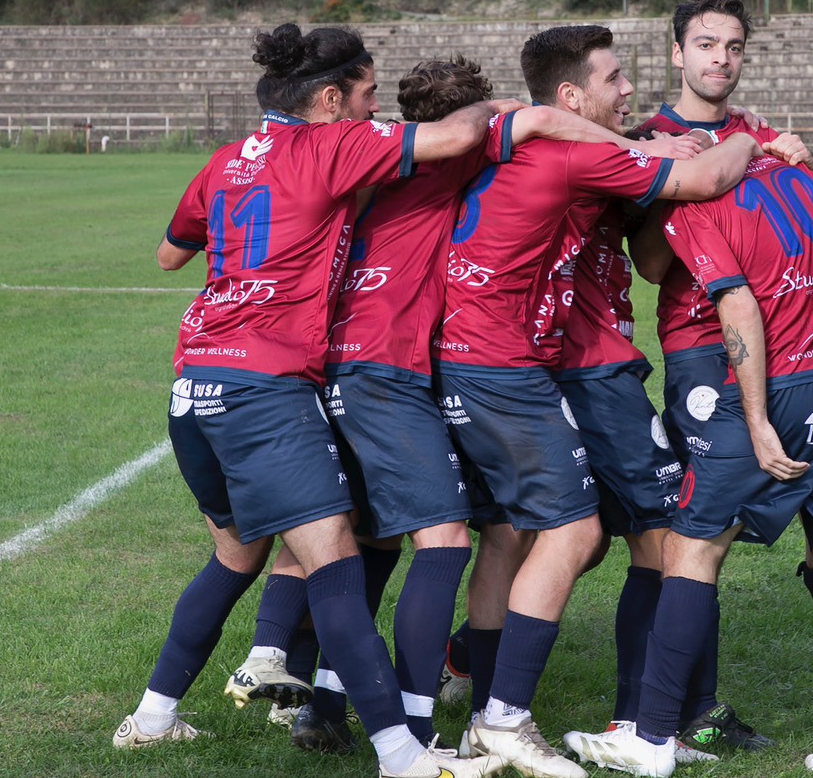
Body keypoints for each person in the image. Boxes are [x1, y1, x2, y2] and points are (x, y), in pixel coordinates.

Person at [228, 54, 704, 753]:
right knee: (468, 538)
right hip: (420, 368)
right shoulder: (475, 153)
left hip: (358, 363)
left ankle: (321, 692)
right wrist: (659, 146)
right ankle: (434, 724)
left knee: (377, 533)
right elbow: (537, 123)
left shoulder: (378, 159)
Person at [113, 22, 512, 778]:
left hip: (194, 381)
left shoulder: (226, 159)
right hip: (264, 389)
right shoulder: (331, 146)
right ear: (329, 99)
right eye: (365, 95)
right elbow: (460, 134)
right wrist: (505, 106)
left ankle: (154, 716)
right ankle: (400, 753)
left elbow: (169, 255)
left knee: (237, 554)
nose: (372, 110)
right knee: (334, 564)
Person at [437, 23, 766, 778]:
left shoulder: (545, 141)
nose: (628, 90)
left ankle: (475, 681)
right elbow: (697, 184)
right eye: (614, 78)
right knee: (654, 536)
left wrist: (635, 140)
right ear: (570, 94)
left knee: (525, 536)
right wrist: (749, 141)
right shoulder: (576, 153)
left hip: (524, 359)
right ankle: (634, 719)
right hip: (586, 364)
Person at [564, 139, 813, 778]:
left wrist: (756, 419)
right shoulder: (802, 179)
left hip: (782, 384)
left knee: (692, 547)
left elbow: (736, 304)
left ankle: (651, 738)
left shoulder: (696, 195)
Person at [632, 0, 813, 745]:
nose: (720, 58)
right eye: (705, 44)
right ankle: (694, 710)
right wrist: (690, 175)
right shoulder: (654, 139)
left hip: (794, 349)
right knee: (702, 533)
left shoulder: (758, 132)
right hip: (707, 351)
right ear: (677, 54)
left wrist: (791, 160)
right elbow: (651, 262)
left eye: (733, 46)